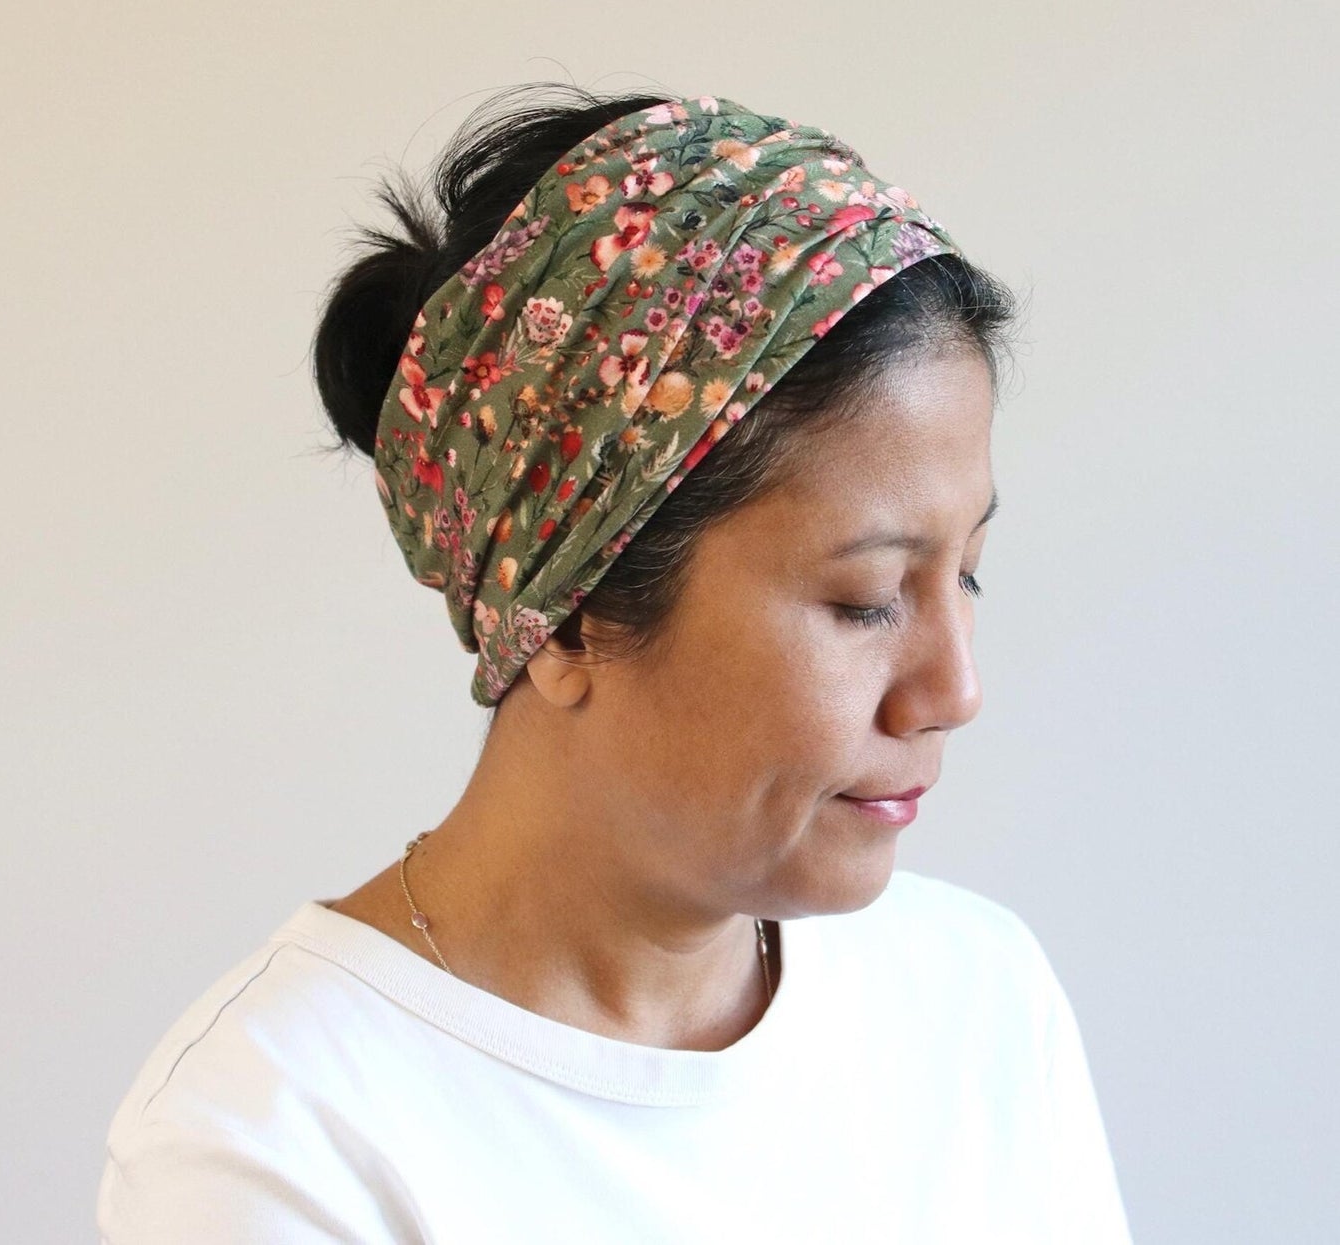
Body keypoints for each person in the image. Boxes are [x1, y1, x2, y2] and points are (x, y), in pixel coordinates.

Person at [97, 85, 1134, 1242]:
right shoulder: (280, 1136)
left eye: (969, 573)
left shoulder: (975, 996)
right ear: (569, 614)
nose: (955, 690)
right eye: (864, 600)